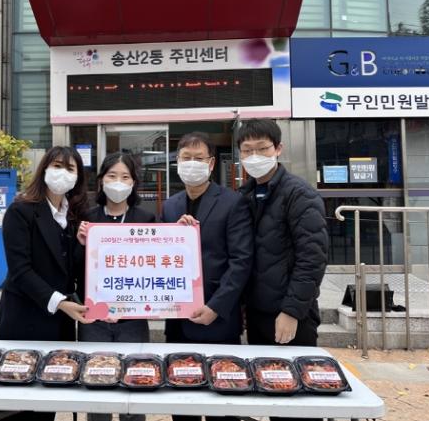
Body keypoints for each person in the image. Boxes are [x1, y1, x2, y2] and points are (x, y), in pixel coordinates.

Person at [0, 146, 93, 421]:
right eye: (57, 166)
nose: (63, 173)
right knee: (11, 399)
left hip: (59, 325)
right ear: (44, 168)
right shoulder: (20, 210)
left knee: (47, 396)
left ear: (78, 177)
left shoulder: (75, 216)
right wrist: (62, 303)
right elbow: (20, 271)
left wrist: (82, 245)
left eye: (70, 169)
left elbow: (72, 270)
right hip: (24, 318)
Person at [238, 119, 328, 421]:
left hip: (291, 318)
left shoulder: (299, 194)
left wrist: (291, 311)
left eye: (262, 149)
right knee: (269, 392)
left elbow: (312, 258)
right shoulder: (245, 195)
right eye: (247, 150)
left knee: (296, 402)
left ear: (278, 149)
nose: (254, 157)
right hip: (258, 314)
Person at [161, 132, 253, 421]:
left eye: (198, 158)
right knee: (182, 400)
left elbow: (241, 261)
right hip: (178, 320)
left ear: (211, 164)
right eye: (186, 158)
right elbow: (159, 256)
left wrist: (216, 306)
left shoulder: (233, 202)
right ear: (177, 162)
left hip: (218, 319)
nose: (192, 164)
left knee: (222, 403)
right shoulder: (170, 206)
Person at [76, 152, 155, 421]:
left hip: (133, 319)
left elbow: (157, 265)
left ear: (134, 183)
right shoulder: (87, 218)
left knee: (134, 389)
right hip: (94, 319)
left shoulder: (146, 219)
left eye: (125, 177)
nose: (118, 182)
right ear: (101, 180)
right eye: (112, 176)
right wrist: (81, 245)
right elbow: (75, 269)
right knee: (97, 387)